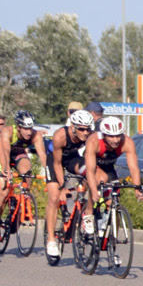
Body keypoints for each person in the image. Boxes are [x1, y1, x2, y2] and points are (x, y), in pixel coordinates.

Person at [44, 109, 96, 260]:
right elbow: (58, 164)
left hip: (72, 159)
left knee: (89, 171)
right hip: (55, 161)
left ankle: (85, 212)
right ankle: (51, 240)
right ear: (73, 126)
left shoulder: (90, 136)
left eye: (88, 129)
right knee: (54, 197)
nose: (85, 132)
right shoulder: (60, 136)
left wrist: (88, 182)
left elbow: (91, 159)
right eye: (81, 129)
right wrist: (62, 187)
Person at [81, 117, 143, 234]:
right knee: (98, 180)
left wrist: (137, 187)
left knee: (114, 202)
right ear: (104, 135)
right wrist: (94, 190)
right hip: (93, 165)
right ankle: (88, 213)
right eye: (111, 136)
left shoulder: (127, 142)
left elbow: (133, 167)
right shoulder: (94, 141)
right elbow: (90, 171)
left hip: (109, 167)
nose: (116, 140)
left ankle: (108, 233)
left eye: (118, 136)